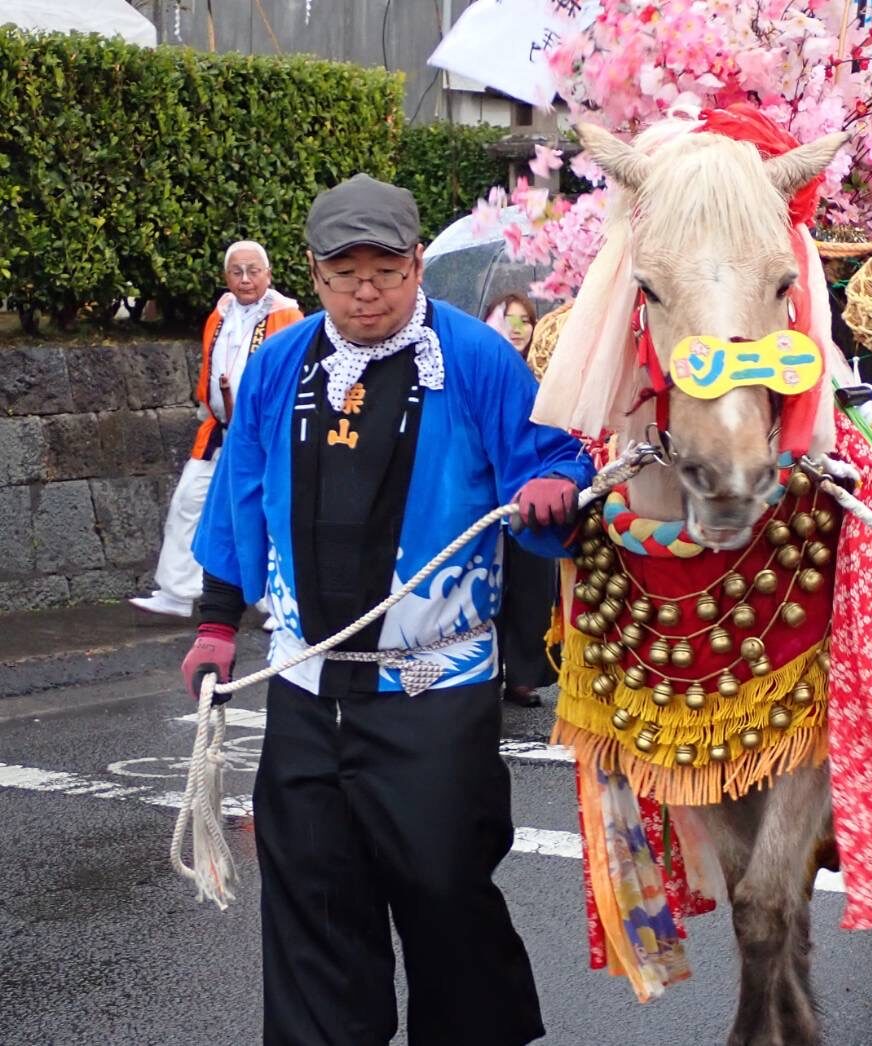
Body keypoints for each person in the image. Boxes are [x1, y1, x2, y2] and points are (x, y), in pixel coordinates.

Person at [183, 174, 594, 1044]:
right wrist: (217, 622)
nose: (365, 290)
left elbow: (542, 453)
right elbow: (239, 490)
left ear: (417, 265)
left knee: (446, 892)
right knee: (313, 902)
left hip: (435, 686)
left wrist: (554, 487)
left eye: (384, 270)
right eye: (343, 273)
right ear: (313, 272)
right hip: (305, 683)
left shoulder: (476, 358)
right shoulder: (278, 363)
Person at [129, 242, 302, 619]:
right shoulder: (219, 315)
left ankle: (275, 603)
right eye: (237, 271)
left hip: (264, 437)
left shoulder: (288, 316)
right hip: (220, 429)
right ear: (226, 278)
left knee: (266, 515)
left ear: (268, 274)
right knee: (189, 502)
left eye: (253, 271)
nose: (245, 279)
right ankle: (177, 591)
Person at [484, 292, 559, 704]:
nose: (516, 328)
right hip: (489, 493)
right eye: (506, 318)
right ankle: (489, 667)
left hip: (535, 490)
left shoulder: (550, 370)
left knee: (533, 587)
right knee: (488, 582)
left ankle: (524, 673)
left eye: (525, 320)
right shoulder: (482, 369)